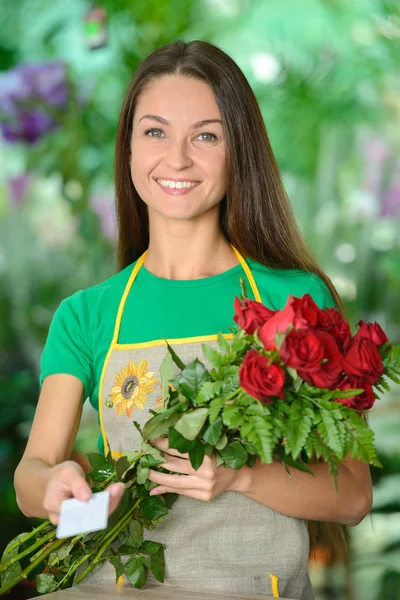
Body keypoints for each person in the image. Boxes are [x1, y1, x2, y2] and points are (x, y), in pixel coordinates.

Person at [13, 39, 372, 599]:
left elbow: (351, 495)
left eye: (206, 135)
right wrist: (60, 490)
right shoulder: (87, 314)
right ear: (128, 149)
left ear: (239, 152)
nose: (177, 159)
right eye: (155, 132)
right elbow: (33, 477)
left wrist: (238, 476)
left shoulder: (297, 303)